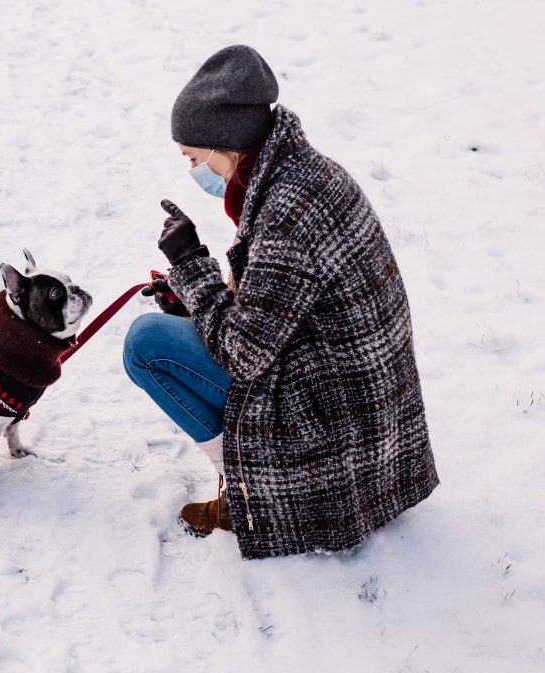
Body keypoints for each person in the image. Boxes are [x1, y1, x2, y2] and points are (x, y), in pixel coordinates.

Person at [123, 45, 439, 560]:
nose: (193, 171)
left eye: (193, 158)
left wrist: (192, 268)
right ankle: (249, 479)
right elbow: (277, 308)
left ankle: (250, 495)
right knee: (171, 329)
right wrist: (193, 297)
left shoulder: (285, 213)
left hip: (333, 421)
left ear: (225, 147)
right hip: (361, 406)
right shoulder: (302, 174)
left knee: (145, 344)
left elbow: (245, 353)